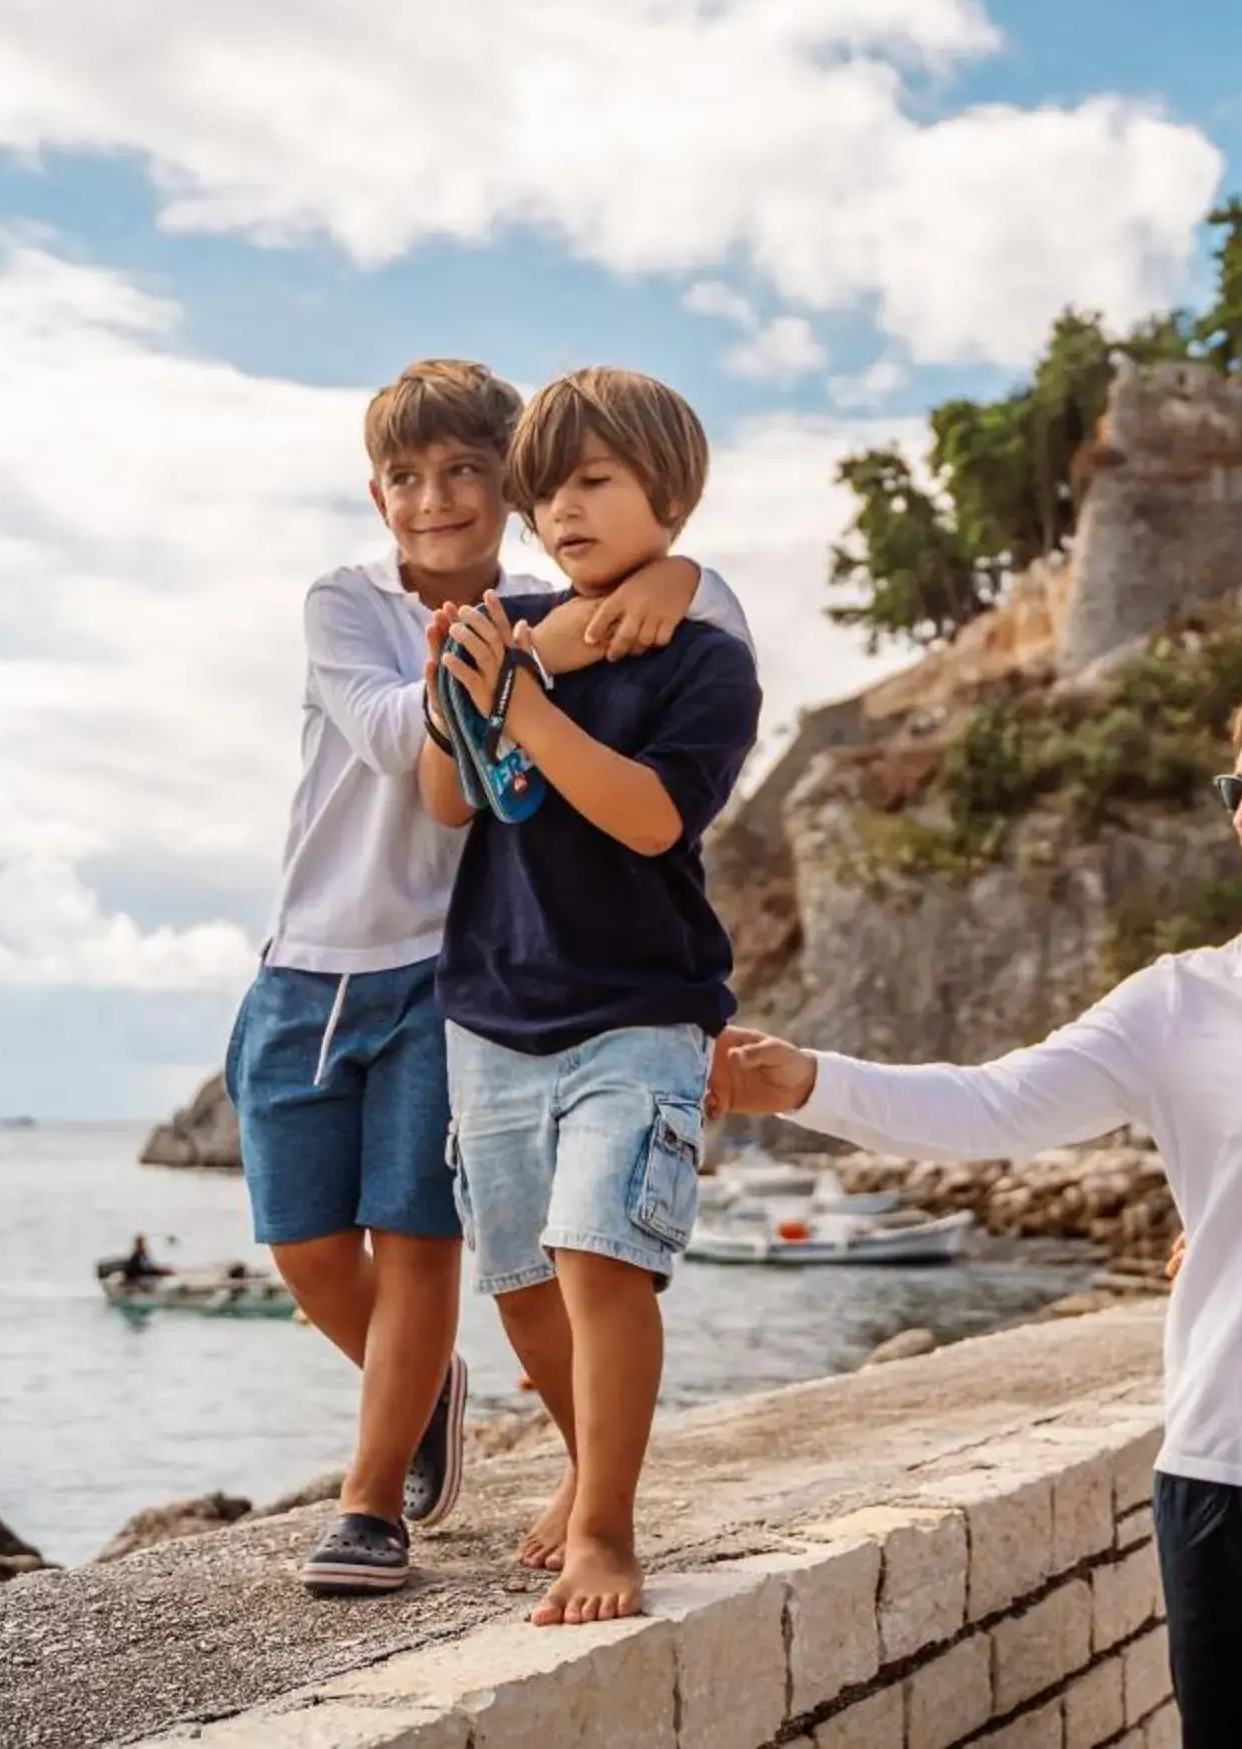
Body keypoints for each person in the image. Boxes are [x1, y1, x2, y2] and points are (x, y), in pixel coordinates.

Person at [715, 670, 1242, 1747]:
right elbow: (994, 1102)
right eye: (1237, 787)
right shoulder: (1176, 1003)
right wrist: (812, 1081)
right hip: (1220, 1486)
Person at [232, 358, 745, 1600]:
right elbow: (417, 751)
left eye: (471, 471)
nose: (439, 497)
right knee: (345, 1255)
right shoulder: (364, 602)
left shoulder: (592, 620)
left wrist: (663, 584)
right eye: (408, 476)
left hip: (492, 981)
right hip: (357, 970)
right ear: (376, 493)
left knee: (498, 1254)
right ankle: (426, 1396)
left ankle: (413, 1508)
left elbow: (686, 660)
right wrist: (518, 657)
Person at [422, 365, 762, 1626]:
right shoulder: (508, 619)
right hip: (492, 1005)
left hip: (641, 1004)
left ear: (666, 495)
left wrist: (521, 693)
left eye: (594, 483)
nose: (560, 511)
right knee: (518, 1279)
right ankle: (581, 1468)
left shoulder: (706, 659)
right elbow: (447, 798)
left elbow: (648, 813)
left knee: (598, 1256)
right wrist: (465, 690)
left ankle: (609, 1530)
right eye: (544, 492)